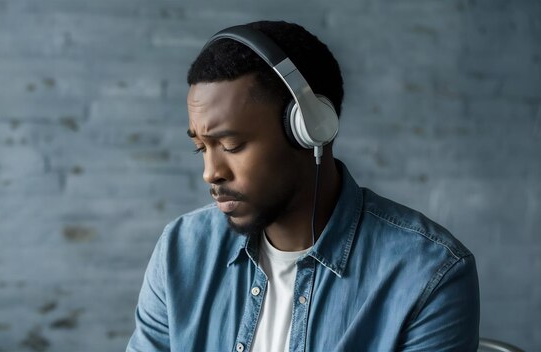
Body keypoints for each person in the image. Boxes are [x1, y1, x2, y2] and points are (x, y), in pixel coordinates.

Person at [127, 21, 479, 352]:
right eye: (201, 148)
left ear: (310, 130)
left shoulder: (429, 274)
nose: (211, 173)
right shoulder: (181, 250)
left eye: (231, 145)